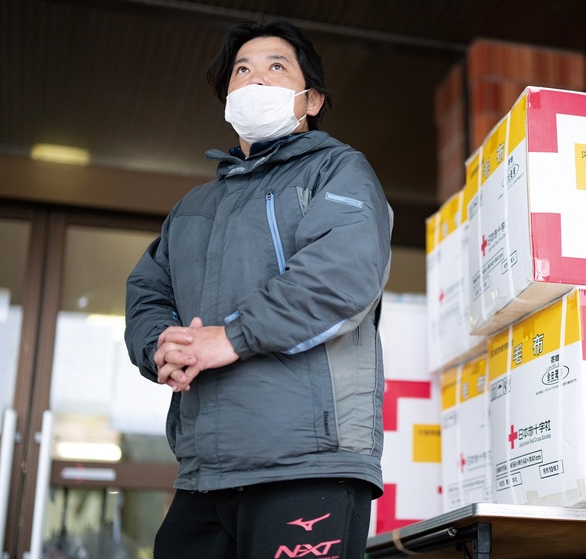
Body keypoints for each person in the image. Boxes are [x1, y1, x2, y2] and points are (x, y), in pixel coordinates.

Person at [124, 19, 393, 559]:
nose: (256, 79)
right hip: (203, 473)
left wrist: (232, 337)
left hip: (309, 464)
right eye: (242, 70)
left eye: (276, 67)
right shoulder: (193, 208)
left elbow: (342, 276)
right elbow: (147, 292)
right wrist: (160, 347)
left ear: (311, 99)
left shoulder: (338, 171)